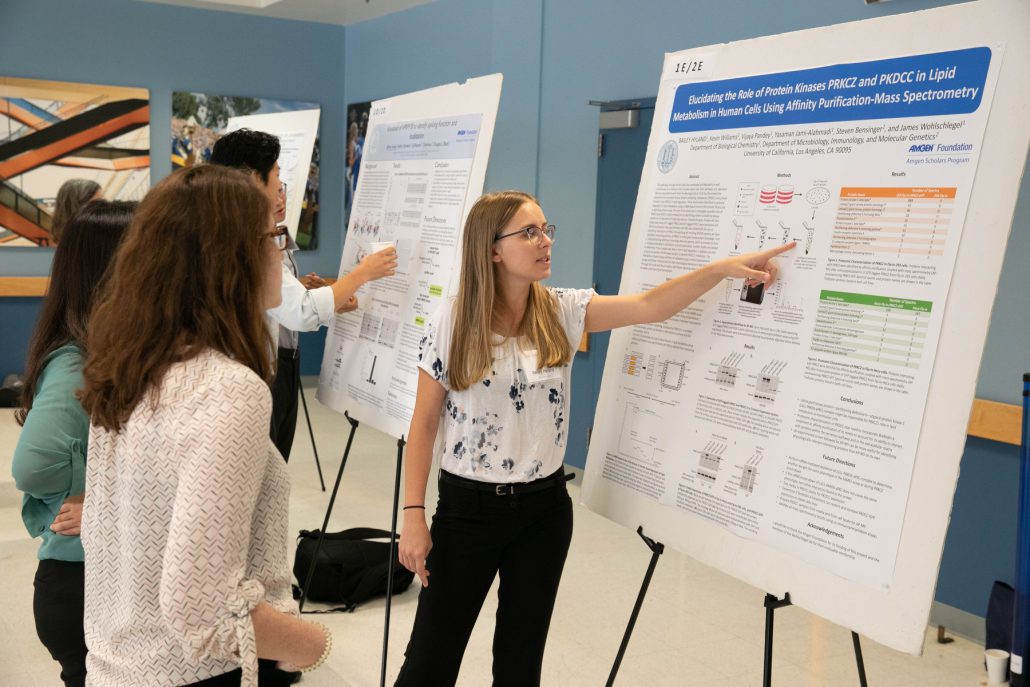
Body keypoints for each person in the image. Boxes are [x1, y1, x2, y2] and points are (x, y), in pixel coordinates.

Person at [395, 190, 795, 686]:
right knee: (430, 663)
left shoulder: (562, 311)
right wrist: (413, 513)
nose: (545, 242)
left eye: (546, 229)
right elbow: (425, 422)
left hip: (543, 512)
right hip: (468, 510)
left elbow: (651, 306)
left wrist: (720, 269)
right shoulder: (452, 322)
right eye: (529, 232)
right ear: (492, 249)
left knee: (521, 663)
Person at [79, 165, 331, 686]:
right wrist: (314, 644)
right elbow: (204, 611)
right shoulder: (228, 389)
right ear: (229, 256)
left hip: (117, 666)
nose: (279, 252)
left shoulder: (130, 365)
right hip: (201, 674)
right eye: (272, 236)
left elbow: (101, 536)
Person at [209, 128, 397, 460]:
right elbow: (301, 312)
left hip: (270, 367)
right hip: (255, 374)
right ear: (254, 179)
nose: (281, 192)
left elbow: (283, 301)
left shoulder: (231, 232)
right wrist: (364, 272)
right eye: (276, 178)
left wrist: (314, 293)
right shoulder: (246, 241)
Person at [11, 200, 134, 687]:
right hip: (83, 582)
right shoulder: (75, 363)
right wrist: (90, 495)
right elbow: (33, 466)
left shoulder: (106, 351)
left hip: (95, 578)